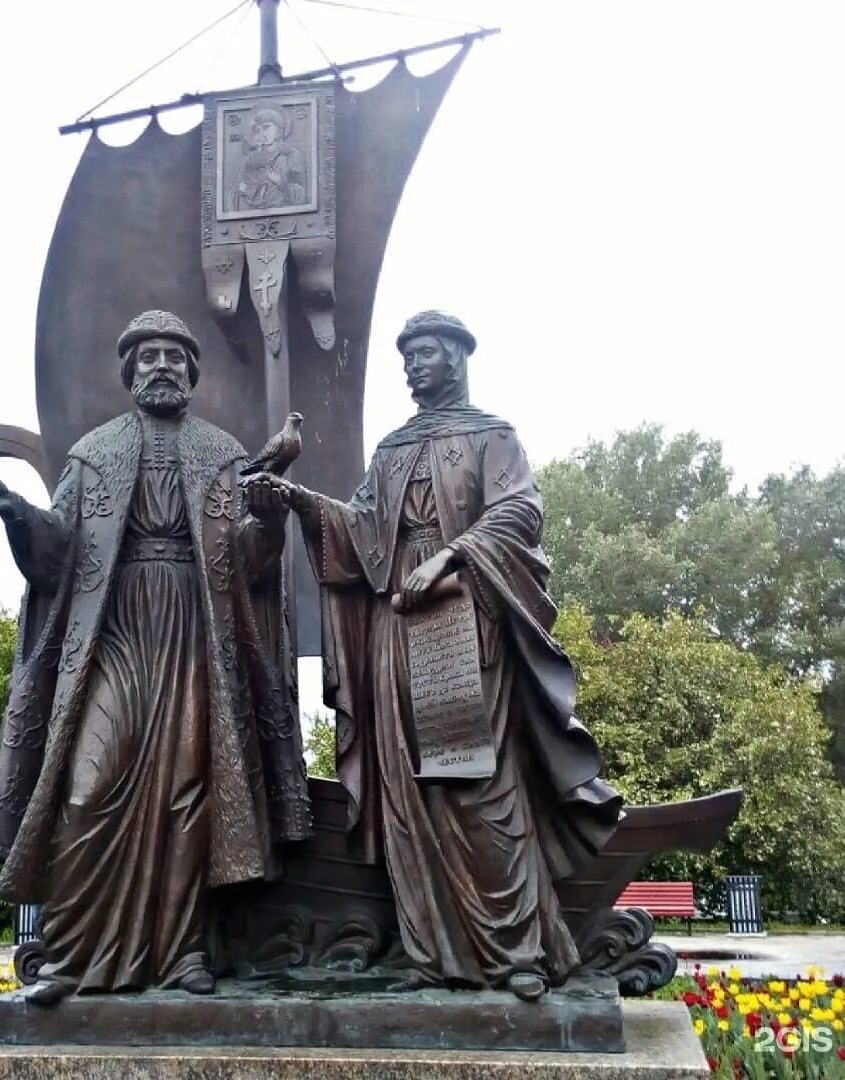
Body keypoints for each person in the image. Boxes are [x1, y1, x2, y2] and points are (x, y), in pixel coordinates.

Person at [245, 311, 623, 1002]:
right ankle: (433, 952)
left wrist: (449, 556)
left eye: (423, 353)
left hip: (463, 623)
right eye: (406, 357)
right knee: (409, 790)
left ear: (455, 354)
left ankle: (517, 951)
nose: (412, 366)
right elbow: (361, 530)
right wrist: (299, 501)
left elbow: (519, 513)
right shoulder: (393, 449)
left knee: (479, 789)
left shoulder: (492, 436)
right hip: (397, 626)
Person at [0, 309, 309, 1004]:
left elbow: (249, 564)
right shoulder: (93, 454)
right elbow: (57, 554)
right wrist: (15, 511)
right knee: (87, 788)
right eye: (148, 356)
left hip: (195, 633)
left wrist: (268, 520)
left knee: (189, 793)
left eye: (174, 357)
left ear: (191, 372)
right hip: (115, 635)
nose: (161, 366)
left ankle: (183, 953)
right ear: (129, 372)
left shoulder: (222, 453)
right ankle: (71, 957)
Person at [230, 105, 307, 211]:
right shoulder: (251, 160)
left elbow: (300, 197)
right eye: (257, 130)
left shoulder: (291, 156)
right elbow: (237, 195)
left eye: (266, 127)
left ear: (279, 129)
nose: (262, 133)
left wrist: (280, 183)